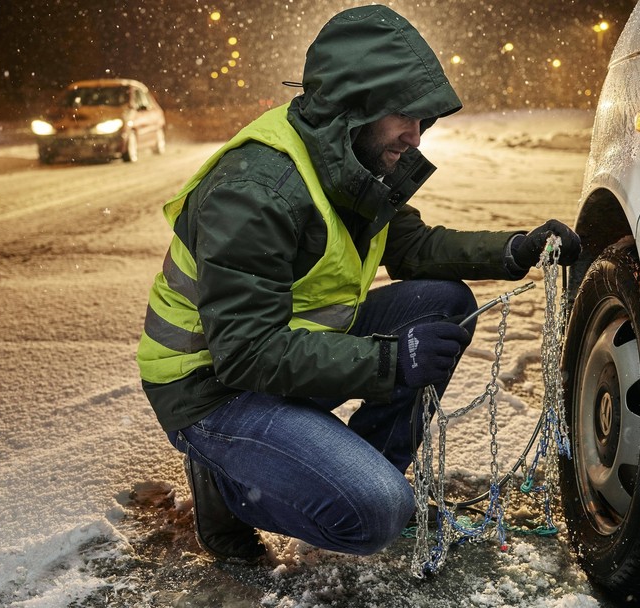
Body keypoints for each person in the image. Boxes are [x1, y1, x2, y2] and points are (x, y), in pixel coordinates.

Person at [137, 4, 580, 563]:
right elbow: (245, 352)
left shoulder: (355, 160)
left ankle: (342, 469)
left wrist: (515, 248)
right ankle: (226, 482)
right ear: (354, 109)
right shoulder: (256, 190)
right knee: (374, 514)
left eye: (424, 120)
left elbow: (414, 249)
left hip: (284, 354)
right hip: (211, 387)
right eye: (404, 117)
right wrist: (391, 362)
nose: (416, 136)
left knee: (441, 303)